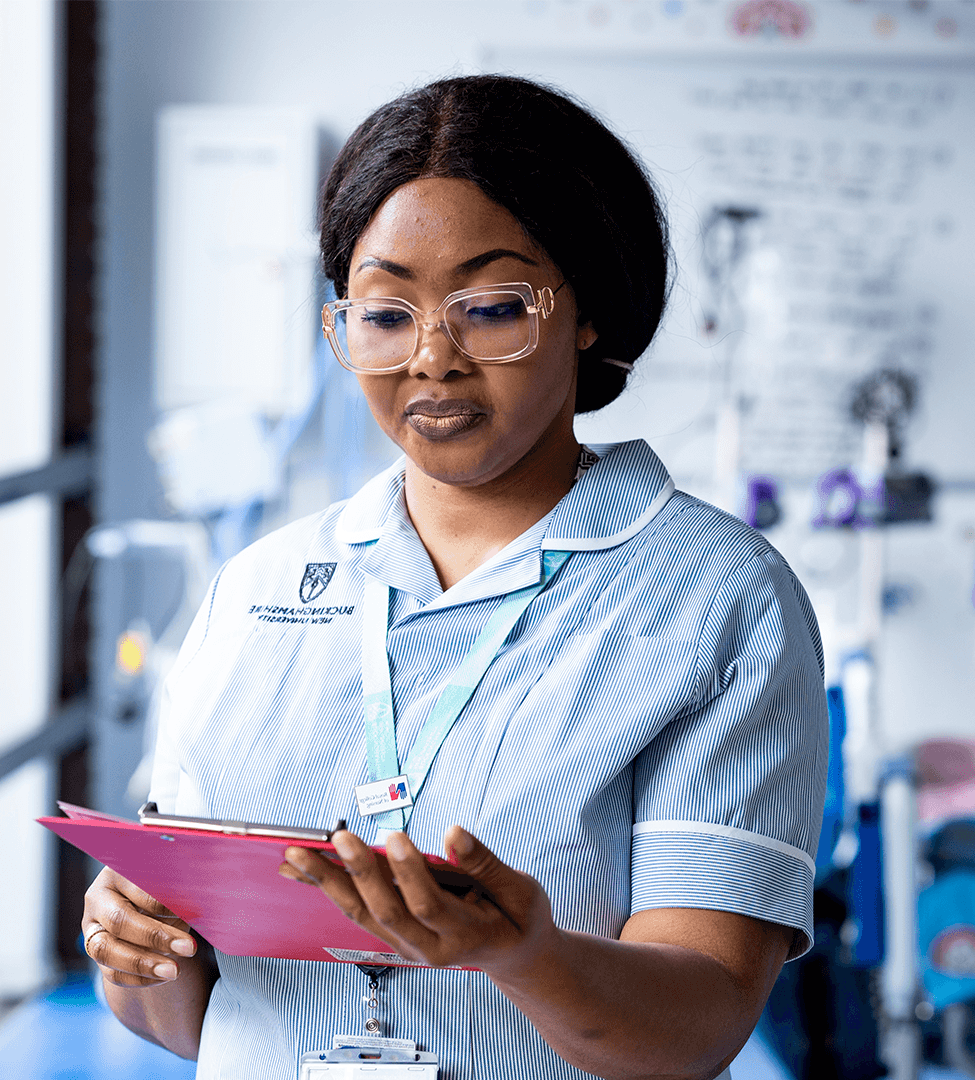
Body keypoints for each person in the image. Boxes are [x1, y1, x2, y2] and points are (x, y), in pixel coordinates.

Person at [80, 76, 828, 1080]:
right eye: (386, 312)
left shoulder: (714, 601)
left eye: (488, 307)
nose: (432, 359)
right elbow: (197, 1019)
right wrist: (138, 951)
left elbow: (697, 1030)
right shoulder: (260, 588)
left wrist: (528, 958)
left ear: (591, 309)